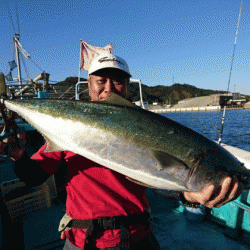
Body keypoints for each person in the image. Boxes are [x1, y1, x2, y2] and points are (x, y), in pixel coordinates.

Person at [1, 53, 242, 250]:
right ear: (89, 85)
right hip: (83, 242)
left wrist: (190, 196)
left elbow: (167, 181)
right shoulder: (68, 128)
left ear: (127, 86)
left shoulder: (152, 127)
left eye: (117, 81)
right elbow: (34, 177)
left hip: (137, 238)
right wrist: (17, 155)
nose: (109, 89)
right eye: (101, 81)